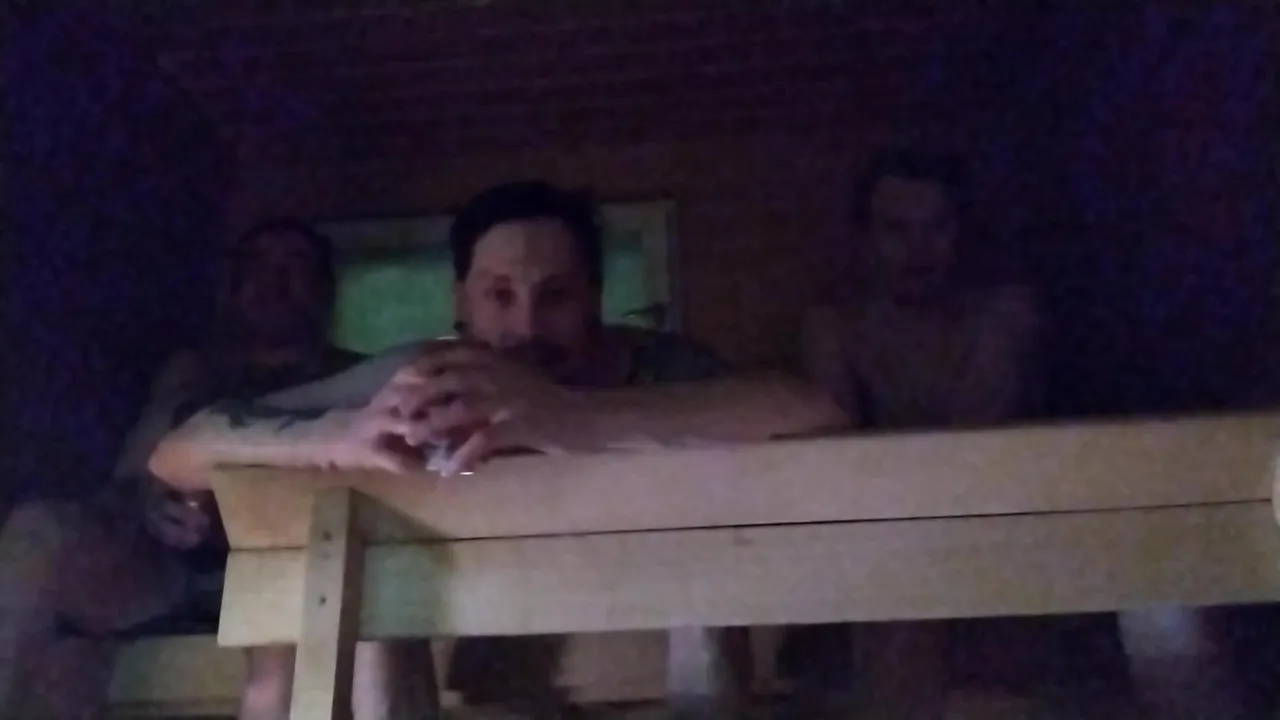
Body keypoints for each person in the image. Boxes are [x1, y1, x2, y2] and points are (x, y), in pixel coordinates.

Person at [148, 180, 849, 717]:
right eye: (500, 296)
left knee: (708, 578)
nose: (527, 327)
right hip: (470, 627)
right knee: (372, 600)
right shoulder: (428, 373)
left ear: (595, 297)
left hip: (653, 619)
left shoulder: (660, 367)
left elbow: (814, 411)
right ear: (461, 301)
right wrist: (331, 434)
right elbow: (179, 449)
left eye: (556, 296)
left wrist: (572, 418)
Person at [0, 220, 429, 720]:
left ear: (325, 289)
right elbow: (132, 480)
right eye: (257, 266)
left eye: (294, 266)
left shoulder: (360, 376)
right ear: (233, 286)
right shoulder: (194, 374)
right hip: (172, 571)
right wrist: (154, 502)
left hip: (299, 559)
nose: (274, 280)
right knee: (38, 531)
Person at [788, 149, 1041, 718]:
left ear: (961, 232)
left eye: (936, 228)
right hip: (875, 542)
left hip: (993, 532)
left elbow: (979, 449)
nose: (918, 250)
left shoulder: (1001, 318)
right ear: (864, 238)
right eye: (897, 230)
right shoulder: (834, 326)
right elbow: (839, 462)